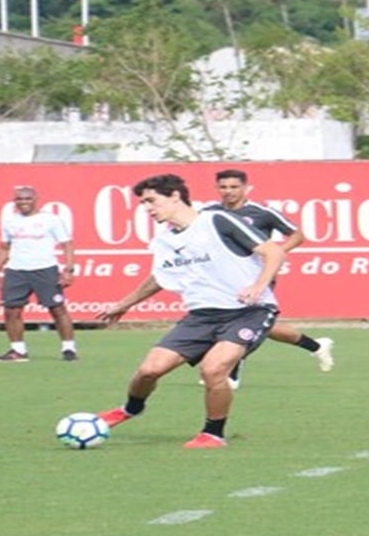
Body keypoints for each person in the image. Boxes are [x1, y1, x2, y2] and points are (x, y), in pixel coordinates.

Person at [96, 173, 286, 449]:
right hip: (201, 317)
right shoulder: (165, 240)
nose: (147, 208)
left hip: (249, 311)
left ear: (174, 196)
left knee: (214, 369)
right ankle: (130, 409)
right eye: (143, 204)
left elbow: (274, 252)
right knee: (149, 371)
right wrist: (124, 304)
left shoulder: (217, 220)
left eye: (151, 200)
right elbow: (159, 278)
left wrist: (259, 285)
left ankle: (213, 434)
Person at [201, 168, 334, 389]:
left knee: (241, 319)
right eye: (223, 187)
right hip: (223, 278)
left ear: (245, 188)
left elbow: (298, 235)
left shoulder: (262, 213)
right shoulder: (209, 213)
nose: (228, 191)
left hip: (256, 276)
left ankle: (231, 371)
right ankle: (317, 346)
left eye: (234, 187)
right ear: (216, 189)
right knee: (263, 325)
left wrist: (274, 254)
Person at [0, 185, 79, 362]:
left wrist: (68, 269)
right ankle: (18, 351)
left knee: (57, 309)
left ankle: (69, 349)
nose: (23, 202)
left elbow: (67, 244)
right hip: (16, 271)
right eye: (19, 199)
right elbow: (4, 248)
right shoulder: (9, 222)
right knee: (11, 310)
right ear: (14, 202)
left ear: (36, 200)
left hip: (45, 269)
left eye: (27, 198)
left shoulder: (51, 220)